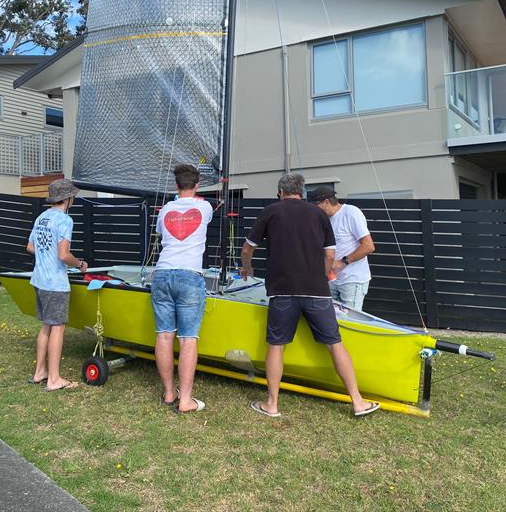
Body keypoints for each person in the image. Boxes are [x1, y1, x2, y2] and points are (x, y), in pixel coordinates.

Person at [240, 173, 380, 418]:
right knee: (335, 344)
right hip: (317, 291)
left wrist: (246, 267)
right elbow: (329, 255)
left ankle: (271, 405)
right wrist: (322, 275)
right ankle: (358, 402)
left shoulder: (270, 211)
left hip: (282, 291)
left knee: (276, 346)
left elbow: (248, 247)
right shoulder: (318, 214)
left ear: (281, 191)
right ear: (301, 192)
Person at [151, 164, 214, 413]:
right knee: (188, 339)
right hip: (189, 274)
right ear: (197, 186)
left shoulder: (166, 209)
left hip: (163, 272)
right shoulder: (205, 207)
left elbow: (160, 232)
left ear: (175, 186)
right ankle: (185, 400)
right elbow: (200, 208)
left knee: (164, 335)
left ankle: (169, 393)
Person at [26, 178, 88, 392]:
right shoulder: (64, 220)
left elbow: (31, 247)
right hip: (55, 283)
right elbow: (63, 255)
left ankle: (39, 372)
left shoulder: (41, 217)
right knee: (58, 328)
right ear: (68, 198)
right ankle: (54, 379)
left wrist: (46, 254)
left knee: (46, 326)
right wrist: (80, 264)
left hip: (39, 280)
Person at [307, 186, 375, 312]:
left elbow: (368, 246)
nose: (314, 210)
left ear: (326, 202)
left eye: (315, 206)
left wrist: (342, 262)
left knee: (350, 320)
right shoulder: (323, 219)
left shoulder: (351, 212)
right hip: (331, 279)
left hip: (352, 280)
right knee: (331, 319)